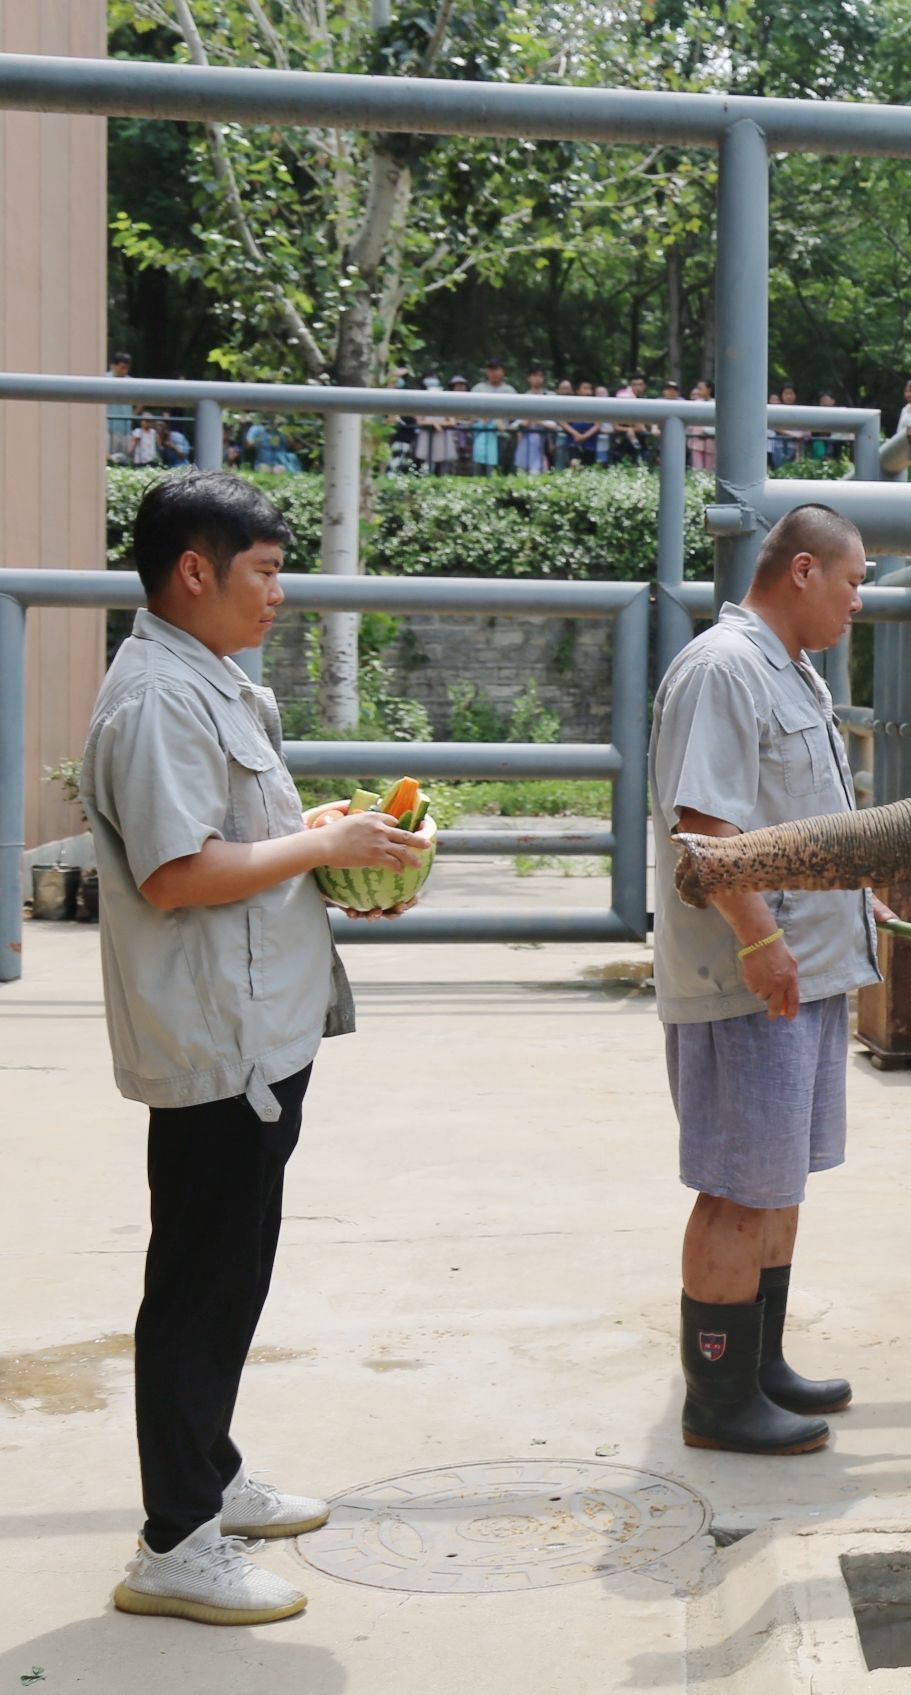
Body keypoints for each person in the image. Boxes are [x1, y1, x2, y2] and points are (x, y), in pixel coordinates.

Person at [83, 471, 427, 1626]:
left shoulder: (207, 679)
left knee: (229, 1273)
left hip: (257, 1029)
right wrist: (312, 845)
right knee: (198, 1283)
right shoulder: (155, 701)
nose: (280, 595)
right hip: (216, 1040)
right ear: (196, 571)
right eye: (266, 574)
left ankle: (210, 1477)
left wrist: (324, 837)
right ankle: (174, 1541)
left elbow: (236, 842)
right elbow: (178, 872)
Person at [649, 503, 884, 1456]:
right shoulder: (723, 669)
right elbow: (705, 830)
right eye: (853, 580)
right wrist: (757, 941)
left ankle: (759, 1362)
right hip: (752, 979)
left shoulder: (794, 672)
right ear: (800, 571)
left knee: (778, 1183)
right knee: (739, 1187)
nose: (857, 601)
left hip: (807, 968)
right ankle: (718, 1396)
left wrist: (858, 904)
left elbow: (805, 816)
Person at [472, 359, 516, 476]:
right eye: (491, 370)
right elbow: (470, 413)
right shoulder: (478, 389)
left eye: (497, 369)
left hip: (501, 435)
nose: (494, 373)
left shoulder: (509, 391)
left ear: (503, 371)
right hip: (481, 435)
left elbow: (515, 416)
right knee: (478, 471)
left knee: (499, 471)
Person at [514, 368, 553, 474]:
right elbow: (517, 423)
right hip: (525, 441)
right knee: (521, 472)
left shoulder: (550, 397)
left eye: (540, 376)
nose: (537, 379)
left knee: (537, 473)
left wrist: (537, 420)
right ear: (528, 378)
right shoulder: (523, 397)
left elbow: (554, 425)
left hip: (542, 442)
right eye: (534, 376)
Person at [106, 352, 135, 464]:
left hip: (126, 428)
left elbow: (142, 399)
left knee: (124, 461)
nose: (125, 371)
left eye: (127, 368)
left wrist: (134, 414)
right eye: (122, 367)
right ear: (113, 365)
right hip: (108, 427)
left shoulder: (131, 381)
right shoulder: (104, 379)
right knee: (108, 460)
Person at [689, 379, 716, 473]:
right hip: (696, 441)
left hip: (711, 441)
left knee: (709, 470)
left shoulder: (716, 404)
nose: (698, 391)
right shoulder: (696, 403)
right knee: (697, 470)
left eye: (701, 388)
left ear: (709, 389)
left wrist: (706, 430)